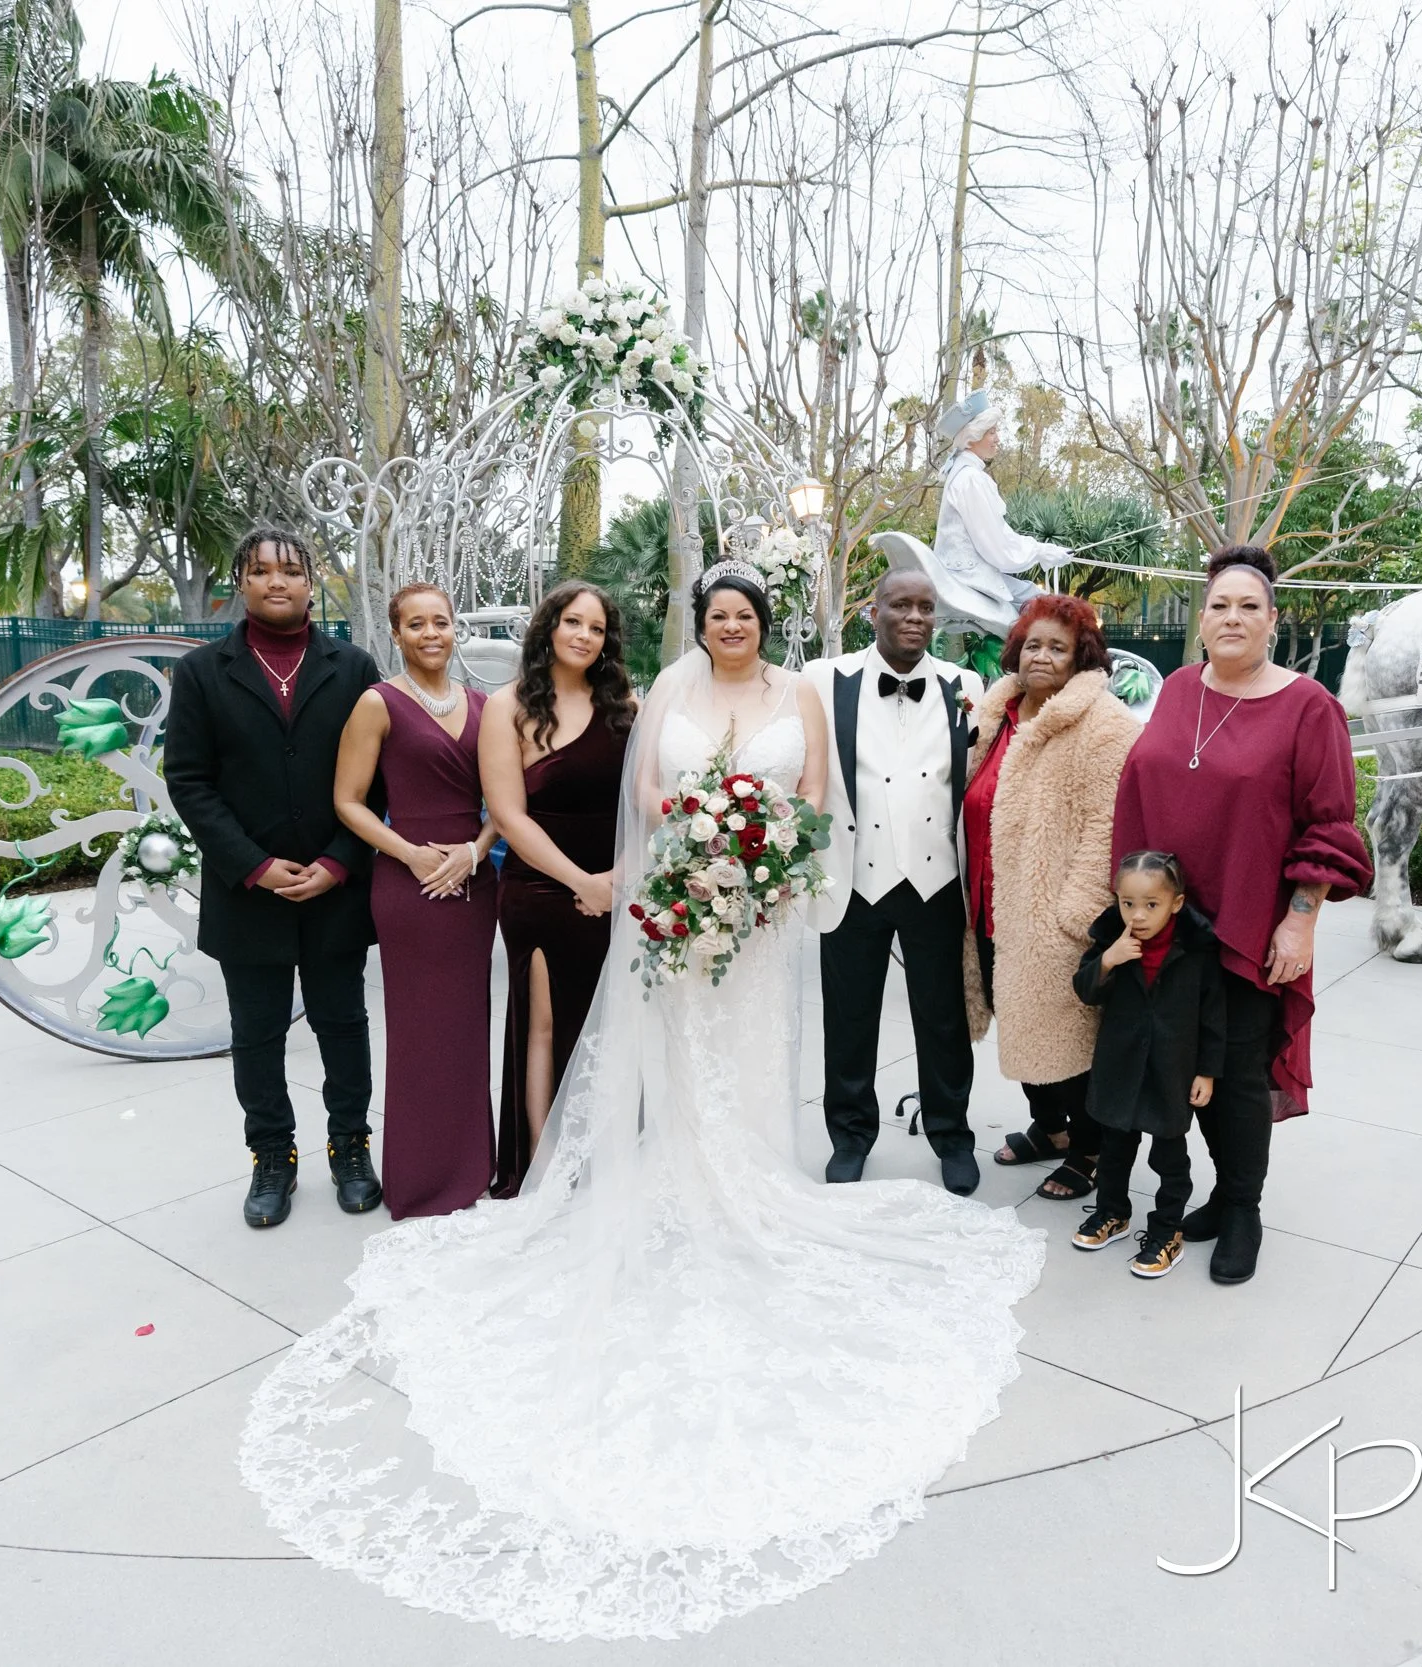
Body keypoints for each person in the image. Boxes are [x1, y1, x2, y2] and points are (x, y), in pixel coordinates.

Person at [241, 559, 1045, 1643]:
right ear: (699, 624)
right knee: (672, 1043)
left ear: (763, 622)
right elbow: (645, 797)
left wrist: (765, 863)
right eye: (717, 613)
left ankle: (752, 1173)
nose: (731, 624)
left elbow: (816, 796)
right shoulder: (663, 689)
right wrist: (695, 844)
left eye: (745, 613)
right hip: (678, 895)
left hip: (760, 908)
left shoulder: (799, 691)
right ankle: (667, 1166)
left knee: (754, 1048)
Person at [1110, 545, 1372, 1285]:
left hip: (1251, 926)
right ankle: (1224, 1194)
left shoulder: (1309, 707)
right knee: (1189, 1068)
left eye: (1248, 606)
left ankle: (1243, 1210)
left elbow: (1329, 825)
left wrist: (1301, 919)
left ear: (1272, 619)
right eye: (1220, 605)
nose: (1232, 617)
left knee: (1239, 1075)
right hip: (1172, 930)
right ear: (1202, 620)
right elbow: (1141, 794)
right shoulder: (1176, 690)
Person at [166, 528, 384, 1229]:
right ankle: (271, 1156)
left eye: (290, 570)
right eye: (260, 571)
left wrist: (339, 861)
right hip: (247, 894)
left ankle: (351, 1146)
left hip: (334, 888)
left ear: (311, 584)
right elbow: (189, 781)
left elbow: (380, 778)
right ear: (242, 583)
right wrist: (254, 865)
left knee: (342, 1024)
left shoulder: (353, 667)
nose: (276, 581)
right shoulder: (202, 672)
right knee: (256, 1033)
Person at [805, 569, 987, 1194]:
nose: (914, 617)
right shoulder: (823, 680)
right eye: (901, 605)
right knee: (848, 1018)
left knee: (943, 1020)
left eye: (926, 608)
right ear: (872, 611)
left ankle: (951, 1134)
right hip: (853, 877)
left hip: (937, 880)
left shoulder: (966, 686)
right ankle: (851, 1135)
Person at [965, 592, 1140, 1202]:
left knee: (1068, 1036)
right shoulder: (996, 714)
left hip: (1050, 913)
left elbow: (1107, 826)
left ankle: (1088, 1148)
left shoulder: (1105, 725)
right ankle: (1051, 1128)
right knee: (1017, 1021)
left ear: (1081, 657)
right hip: (988, 901)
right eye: (1032, 644)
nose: (1041, 656)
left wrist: (1073, 915)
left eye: (1057, 648)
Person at [331, 582, 499, 1218]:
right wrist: (411, 854)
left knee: (467, 1030)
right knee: (419, 1033)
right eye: (417, 624)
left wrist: (475, 852)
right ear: (396, 634)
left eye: (441, 622)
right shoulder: (378, 703)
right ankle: (421, 1180)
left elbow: (506, 804)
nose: (431, 634)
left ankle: (471, 1167)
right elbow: (347, 801)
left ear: (456, 629)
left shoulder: (484, 706)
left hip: (473, 886)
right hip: (409, 887)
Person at [477, 579, 636, 1197]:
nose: (584, 636)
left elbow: (647, 804)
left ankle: (599, 1159)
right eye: (573, 622)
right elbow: (508, 816)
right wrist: (580, 882)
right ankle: (545, 1171)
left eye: (597, 628)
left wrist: (618, 878)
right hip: (540, 890)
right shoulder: (508, 706)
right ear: (548, 626)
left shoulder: (626, 705)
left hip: (616, 887)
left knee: (605, 1026)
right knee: (541, 1024)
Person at [1068, 851, 1225, 1281]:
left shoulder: (1197, 949)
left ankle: (1167, 1231)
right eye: (1127, 903)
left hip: (1171, 1071)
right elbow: (1085, 990)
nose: (1137, 915)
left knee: (1169, 1158)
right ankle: (1112, 1212)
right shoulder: (1111, 941)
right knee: (1114, 1151)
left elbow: (1214, 1016)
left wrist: (1207, 1071)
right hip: (1120, 1067)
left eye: (1151, 904)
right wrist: (1109, 959)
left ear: (1176, 903)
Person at [931, 389, 1070, 606]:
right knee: (1050, 607)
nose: (997, 439)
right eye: (992, 432)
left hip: (963, 576)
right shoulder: (971, 479)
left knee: (1040, 598)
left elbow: (997, 539)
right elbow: (997, 545)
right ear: (973, 437)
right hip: (969, 580)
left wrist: (1042, 551)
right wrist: (1041, 551)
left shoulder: (962, 473)